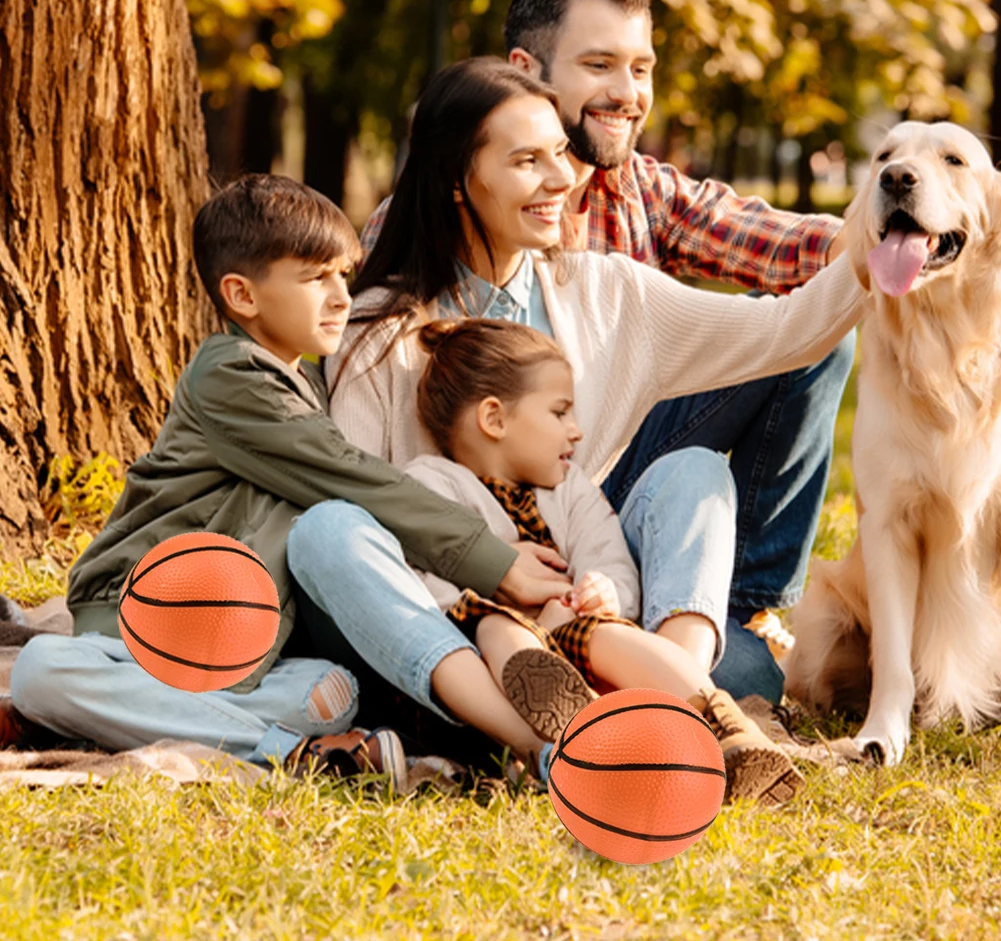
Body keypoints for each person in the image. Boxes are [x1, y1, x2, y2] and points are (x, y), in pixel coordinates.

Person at [313, 58, 866, 772]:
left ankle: (679, 706)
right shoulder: (377, 334)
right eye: (525, 161)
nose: (561, 180)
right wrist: (492, 570)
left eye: (559, 155)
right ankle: (557, 732)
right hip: (456, 623)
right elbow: (371, 513)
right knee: (332, 532)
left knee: (694, 478)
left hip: (590, 604)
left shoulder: (606, 290)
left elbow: (784, 332)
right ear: (457, 178)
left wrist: (882, 248)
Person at [4, 175, 571, 783]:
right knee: (43, 671)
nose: (339, 298)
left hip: (258, 648)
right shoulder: (229, 375)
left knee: (331, 686)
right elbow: (350, 474)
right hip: (144, 629)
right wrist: (496, 562)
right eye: (313, 278)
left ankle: (422, 732)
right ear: (242, 295)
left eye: (342, 277)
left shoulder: (305, 379)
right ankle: (297, 752)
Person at [405, 317, 804, 803]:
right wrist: (523, 610)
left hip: (576, 633)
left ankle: (721, 725)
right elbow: (425, 583)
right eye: (559, 413)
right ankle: (609, 739)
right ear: (494, 418)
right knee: (496, 628)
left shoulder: (570, 490)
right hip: (492, 658)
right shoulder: (431, 484)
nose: (575, 432)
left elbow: (612, 559)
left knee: (609, 633)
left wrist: (605, 589)